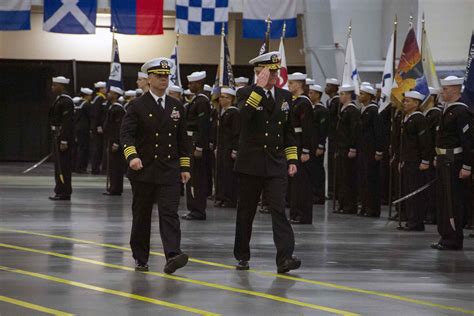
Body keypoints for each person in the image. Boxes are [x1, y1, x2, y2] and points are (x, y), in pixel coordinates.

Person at [121, 57, 191, 273]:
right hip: (143, 170)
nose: (163, 80)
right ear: (149, 79)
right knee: (142, 215)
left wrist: (185, 167)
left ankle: (173, 254)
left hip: (168, 169)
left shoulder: (176, 106)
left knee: (169, 213)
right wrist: (132, 156)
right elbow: (126, 134)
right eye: (159, 76)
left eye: (166, 76)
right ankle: (140, 257)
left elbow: (183, 139)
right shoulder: (136, 105)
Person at [233, 51, 301, 273]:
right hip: (250, 164)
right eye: (269, 71)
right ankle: (242, 254)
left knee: (279, 209)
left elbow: (288, 131)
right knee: (246, 211)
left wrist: (291, 158)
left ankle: (285, 258)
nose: (274, 75)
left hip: (275, 163)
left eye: (276, 71)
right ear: (258, 72)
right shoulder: (244, 92)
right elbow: (244, 117)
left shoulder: (285, 96)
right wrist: (259, 90)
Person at [431, 76, 472, 250]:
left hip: (454, 159)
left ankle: (454, 239)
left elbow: (468, 141)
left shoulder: (462, 112)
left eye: (446, 89)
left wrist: (467, 166)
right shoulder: (446, 110)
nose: (442, 92)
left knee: (451, 200)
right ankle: (445, 235)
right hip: (444, 158)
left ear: (455, 90)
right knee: (442, 199)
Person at [397, 91, 432, 231]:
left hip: (416, 160)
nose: (405, 103)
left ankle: (417, 221)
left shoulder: (419, 119)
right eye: (404, 101)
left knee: (415, 192)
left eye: (408, 101)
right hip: (407, 159)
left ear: (416, 104)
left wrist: (425, 160)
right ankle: (410, 219)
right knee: (408, 190)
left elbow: (425, 141)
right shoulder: (406, 118)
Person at [182, 71, 211, 221]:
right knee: (191, 177)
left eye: (191, 83)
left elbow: (203, 126)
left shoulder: (202, 102)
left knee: (196, 178)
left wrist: (199, 147)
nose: (189, 86)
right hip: (191, 141)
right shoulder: (197, 100)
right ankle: (193, 208)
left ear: (198, 84)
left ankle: (198, 209)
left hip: (195, 142)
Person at [287, 72, 314, 224]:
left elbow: (307, 128)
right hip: (294, 143)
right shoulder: (296, 102)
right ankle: (295, 212)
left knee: (302, 182)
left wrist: (305, 150)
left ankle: (302, 215)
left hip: (300, 144)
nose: (289, 86)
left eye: (291, 83)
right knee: (296, 182)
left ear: (298, 85)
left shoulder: (304, 103)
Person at [358, 85, 384, 217]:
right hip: (364, 149)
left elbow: (378, 132)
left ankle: (372, 208)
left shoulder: (374, 111)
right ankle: (365, 205)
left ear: (369, 96)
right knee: (364, 179)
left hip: (371, 150)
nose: (360, 96)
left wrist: (379, 150)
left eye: (362, 94)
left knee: (371, 180)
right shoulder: (363, 110)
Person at [334, 84, 360, 214]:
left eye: (342, 94)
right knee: (342, 177)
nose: (340, 97)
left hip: (347, 148)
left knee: (348, 178)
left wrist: (353, 148)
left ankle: (350, 205)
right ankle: (343, 204)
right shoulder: (344, 109)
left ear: (348, 95)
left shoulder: (352, 110)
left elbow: (354, 131)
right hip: (341, 147)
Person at [49, 76, 74, 201]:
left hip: (63, 137)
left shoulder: (66, 101)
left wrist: (64, 140)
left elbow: (67, 123)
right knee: (58, 165)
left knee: (63, 166)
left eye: (55, 85)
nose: (52, 87)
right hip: (57, 135)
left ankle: (64, 192)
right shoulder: (59, 100)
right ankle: (59, 189)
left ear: (62, 86)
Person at [214, 87, 240, 208]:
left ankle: (230, 198)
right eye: (221, 96)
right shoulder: (222, 112)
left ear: (231, 99)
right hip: (222, 147)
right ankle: (222, 196)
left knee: (229, 174)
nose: (221, 99)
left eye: (225, 97)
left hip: (229, 147)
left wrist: (235, 149)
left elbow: (236, 133)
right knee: (221, 173)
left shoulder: (233, 113)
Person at [423, 87, 443, 224]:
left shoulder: (435, 114)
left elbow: (437, 137)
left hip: (433, 155)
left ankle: (433, 214)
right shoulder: (425, 114)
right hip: (426, 154)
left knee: (432, 187)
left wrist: (436, 156)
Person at [103, 86, 126, 196]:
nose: (108, 94)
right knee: (112, 165)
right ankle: (113, 187)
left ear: (116, 95)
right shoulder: (112, 108)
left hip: (115, 141)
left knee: (116, 166)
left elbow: (119, 127)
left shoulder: (118, 109)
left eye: (111, 93)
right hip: (111, 139)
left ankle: (116, 188)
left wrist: (117, 142)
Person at [308, 84, 328, 205]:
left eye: (311, 93)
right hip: (311, 144)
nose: (309, 95)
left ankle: (318, 195)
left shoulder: (322, 110)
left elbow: (323, 129)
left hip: (317, 145)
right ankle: (313, 193)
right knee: (312, 170)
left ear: (317, 95)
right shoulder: (312, 109)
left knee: (318, 170)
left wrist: (321, 145)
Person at [325, 78, 341, 199]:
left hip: (336, 136)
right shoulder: (330, 101)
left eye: (329, 86)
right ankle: (331, 190)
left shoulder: (337, 102)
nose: (326, 88)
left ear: (335, 88)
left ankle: (334, 190)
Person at [72, 87, 93, 174]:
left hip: (77, 128)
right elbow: (90, 117)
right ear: (86, 96)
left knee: (77, 148)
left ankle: (74, 166)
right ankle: (81, 167)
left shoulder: (77, 104)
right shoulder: (86, 104)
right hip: (84, 129)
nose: (91, 97)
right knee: (83, 149)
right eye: (90, 96)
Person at [90, 81, 107, 175]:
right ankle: (95, 168)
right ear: (100, 89)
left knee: (98, 148)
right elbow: (96, 114)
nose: (105, 90)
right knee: (97, 148)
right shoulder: (99, 98)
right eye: (104, 88)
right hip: (97, 127)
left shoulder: (98, 98)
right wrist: (98, 126)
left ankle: (96, 167)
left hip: (96, 126)